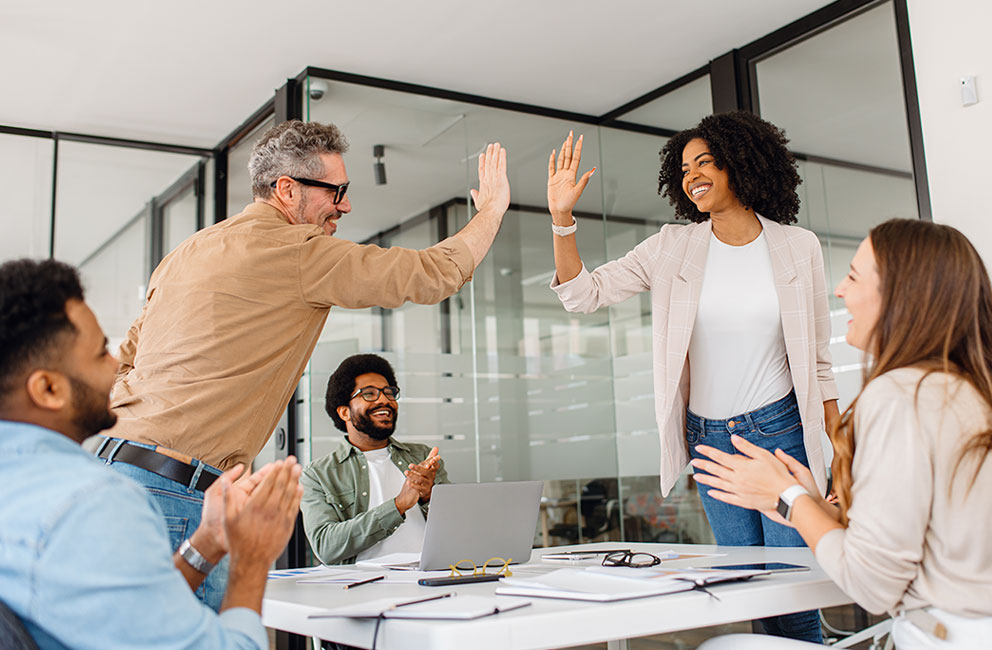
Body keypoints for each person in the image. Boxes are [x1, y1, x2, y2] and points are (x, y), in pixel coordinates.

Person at [97, 120, 510, 609]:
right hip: (177, 496)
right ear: (287, 190)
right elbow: (430, 275)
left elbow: (123, 360)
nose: (346, 205)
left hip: (111, 472)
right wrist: (491, 211)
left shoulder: (186, 252)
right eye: (336, 190)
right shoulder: (297, 251)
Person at [546, 112, 839, 643]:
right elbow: (582, 294)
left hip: (780, 434)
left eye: (705, 161)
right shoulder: (671, 248)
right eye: (684, 168)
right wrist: (562, 220)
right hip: (711, 443)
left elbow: (820, 361)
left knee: (794, 587)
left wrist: (840, 459)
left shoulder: (800, 247)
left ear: (742, 163)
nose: (692, 175)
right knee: (750, 587)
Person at [691, 219, 992, 650]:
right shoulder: (964, 389)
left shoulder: (900, 395)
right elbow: (926, 536)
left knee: (724, 647)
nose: (839, 291)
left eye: (853, 275)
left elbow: (870, 585)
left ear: (901, 295)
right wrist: (818, 507)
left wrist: (788, 499)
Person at [0, 258, 303, 650]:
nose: (116, 366)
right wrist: (252, 556)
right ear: (48, 390)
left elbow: (124, 623)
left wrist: (208, 541)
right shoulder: (92, 503)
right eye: (99, 354)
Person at [300, 354, 448, 565]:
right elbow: (325, 547)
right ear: (344, 412)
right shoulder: (318, 474)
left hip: (431, 577)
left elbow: (458, 529)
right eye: (368, 394)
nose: (384, 400)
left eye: (389, 393)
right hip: (362, 588)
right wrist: (398, 506)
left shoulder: (423, 457)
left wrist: (428, 498)